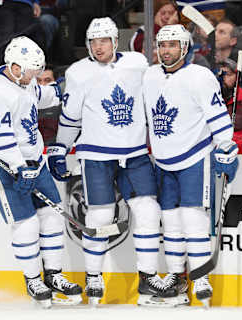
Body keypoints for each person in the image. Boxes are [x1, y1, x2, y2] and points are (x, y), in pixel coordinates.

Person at [51, 17, 176, 306]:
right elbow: (70, 118)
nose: (98, 46)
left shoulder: (137, 64)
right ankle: (93, 277)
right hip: (96, 155)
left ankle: (147, 279)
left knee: (148, 211)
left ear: (115, 41)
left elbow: (163, 84)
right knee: (101, 217)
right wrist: (60, 147)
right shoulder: (78, 72)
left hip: (134, 153)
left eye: (104, 40)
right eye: (93, 41)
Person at [0, 36, 82, 307]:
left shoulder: (24, 79)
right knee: (27, 223)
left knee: (53, 215)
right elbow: (0, 139)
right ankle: (33, 279)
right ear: (15, 66)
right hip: (4, 164)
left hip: (34, 160)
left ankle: (54, 274)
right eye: (33, 71)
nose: (36, 76)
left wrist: (60, 91)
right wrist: (19, 167)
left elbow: (40, 95)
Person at [142, 24, 238, 307]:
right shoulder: (149, 76)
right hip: (162, 160)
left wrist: (225, 145)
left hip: (194, 157)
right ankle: (176, 277)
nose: (166, 50)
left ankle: (201, 278)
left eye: (173, 45)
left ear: (184, 48)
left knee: (193, 219)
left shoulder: (200, 76)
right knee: (170, 222)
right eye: (162, 45)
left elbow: (217, 116)